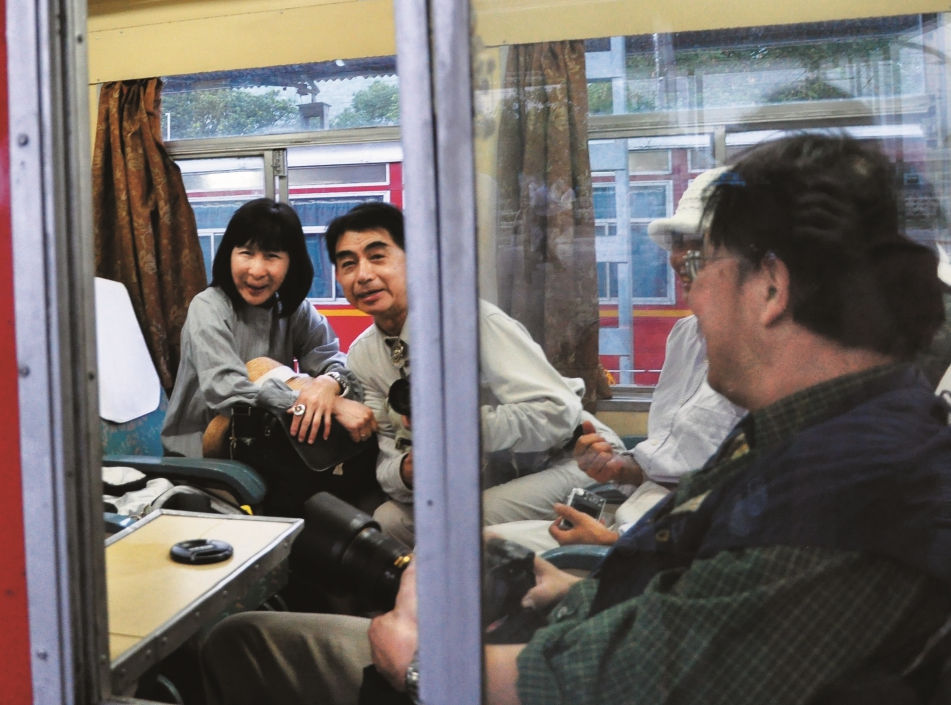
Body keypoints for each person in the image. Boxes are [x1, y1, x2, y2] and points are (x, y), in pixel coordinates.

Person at [477, 133, 951, 705]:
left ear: (772, 286)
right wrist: (578, 593)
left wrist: (418, 664)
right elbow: (689, 579)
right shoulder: (812, 434)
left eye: (701, 262)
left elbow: (616, 685)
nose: (693, 294)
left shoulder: (846, 493)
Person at [488, 169, 746, 552]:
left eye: (698, 244)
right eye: (677, 243)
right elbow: (672, 458)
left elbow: (734, 515)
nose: (678, 259)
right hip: (635, 517)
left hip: (665, 544)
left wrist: (613, 544)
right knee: (481, 542)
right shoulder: (686, 336)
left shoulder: (773, 359)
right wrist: (619, 469)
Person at [324, 201, 611, 541]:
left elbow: (559, 412)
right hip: (483, 479)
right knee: (388, 520)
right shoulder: (364, 354)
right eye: (347, 264)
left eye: (377, 256)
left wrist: (462, 432)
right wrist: (405, 472)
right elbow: (388, 455)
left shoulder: (473, 322)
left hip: (578, 460)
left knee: (460, 520)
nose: (363, 275)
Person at [162, 198, 377, 516]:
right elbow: (226, 389)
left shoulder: (295, 310)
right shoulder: (209, 306)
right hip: (206, 451)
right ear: (229, 255)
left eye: (272, 256)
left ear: (291, 263)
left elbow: (336, 362)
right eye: (246, 253)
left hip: (266, 444)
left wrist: (330, 387)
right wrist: (308, 399)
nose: (256, 270)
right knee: (261, 370)